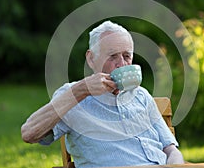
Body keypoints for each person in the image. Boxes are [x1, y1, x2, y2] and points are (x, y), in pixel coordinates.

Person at [21, 20, 184, 167]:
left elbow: (171, 150)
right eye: (113, 56)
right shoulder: (73, 96)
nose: (121, 64)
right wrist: (82, 90)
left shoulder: (142, 96)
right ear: (91, 59)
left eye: (127, 56)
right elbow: (29, 133)